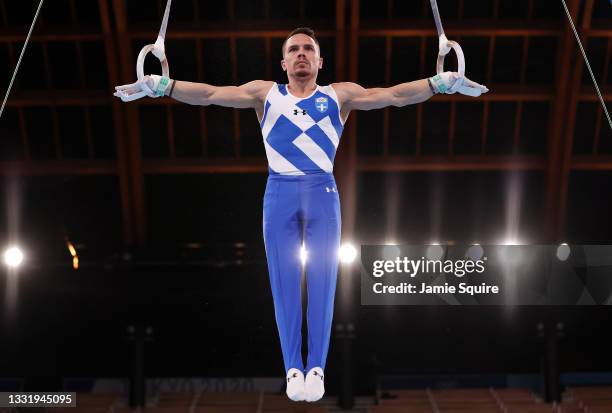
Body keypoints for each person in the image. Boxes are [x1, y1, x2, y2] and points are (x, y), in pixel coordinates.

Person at [114, 27, 488, 402]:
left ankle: (318, 368)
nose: (301, 54)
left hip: (322, 192)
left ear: (320, 61)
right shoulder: (265, 94)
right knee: (285, 282)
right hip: (279, 193)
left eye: (309, 48)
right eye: (294, 49)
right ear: (283, 62)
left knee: (325, 281)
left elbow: (392, 96)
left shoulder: (339, 95)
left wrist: (438, 83)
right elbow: (210, 95)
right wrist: (164, 85)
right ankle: (294, 368)